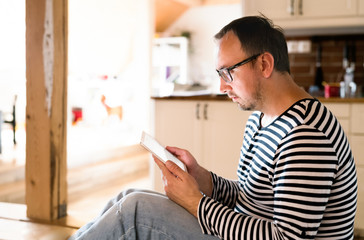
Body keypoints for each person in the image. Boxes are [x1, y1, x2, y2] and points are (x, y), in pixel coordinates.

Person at [69, 15, 357, 240]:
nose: (222, 86)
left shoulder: (306, 134)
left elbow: (287, 236)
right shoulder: (260, 118)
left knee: (134, 211)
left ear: (264, 64)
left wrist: (197, 203)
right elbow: (251, 198)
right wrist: (205, 181)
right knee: (128, 197)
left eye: (228, 72)